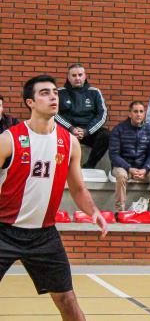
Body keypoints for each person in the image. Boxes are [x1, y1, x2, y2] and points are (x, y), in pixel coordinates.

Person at [0, 75, 108, 320]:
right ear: (30, 102)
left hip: (44, 235)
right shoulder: (9, 140)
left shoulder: (69, 142)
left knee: (67, 301)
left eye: (55, 93)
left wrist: (94, 212)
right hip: (4, 230)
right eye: (45, 93)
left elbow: (78, 188)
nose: (53, 97)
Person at [109, 101, 150, 213]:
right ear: (130, 114)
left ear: (144, 114)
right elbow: (113, 154)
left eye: (141, 112)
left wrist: (145, 169)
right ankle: (120, 211)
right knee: (121, 175)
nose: (138, 114)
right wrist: (129, 168)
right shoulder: (118, 129)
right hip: (123, 167)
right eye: (135, 111)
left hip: (143, 168)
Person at [54, 63, 109, 169]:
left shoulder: (95, 92)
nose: (77, 78)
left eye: (80, 75)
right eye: (74, 75)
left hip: (89, 132)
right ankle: (61, 168)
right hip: (68, 131)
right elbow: (54, 114)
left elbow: (102, 115)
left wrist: (86, 131)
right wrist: (71, 128)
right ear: (68, 77)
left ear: (85, 76)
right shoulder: (59, 93)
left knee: (106, 136)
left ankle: (89, 166)